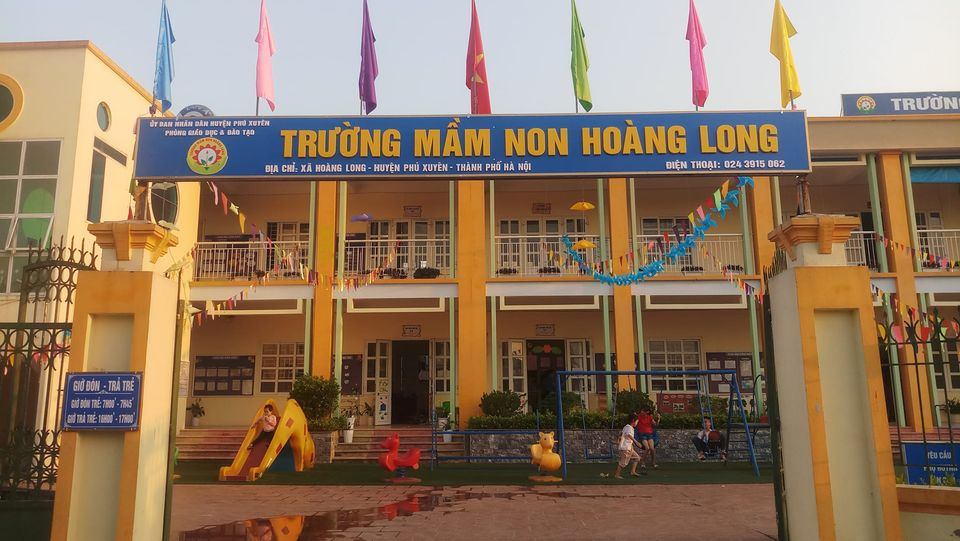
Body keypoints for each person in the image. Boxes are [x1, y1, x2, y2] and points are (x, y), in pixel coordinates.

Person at [609, 414, 645, 479]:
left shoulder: (626, 427)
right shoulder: (629, 428)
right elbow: (628, 435)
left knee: (637, 458)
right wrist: (636, 442)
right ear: (633, 421)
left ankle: (633, 472)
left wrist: (618, 440)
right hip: (625, 448)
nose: (637, 423)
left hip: (629, 448)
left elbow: (622, 434)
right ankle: (617, 475)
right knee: (623, 463)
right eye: (637, 421)